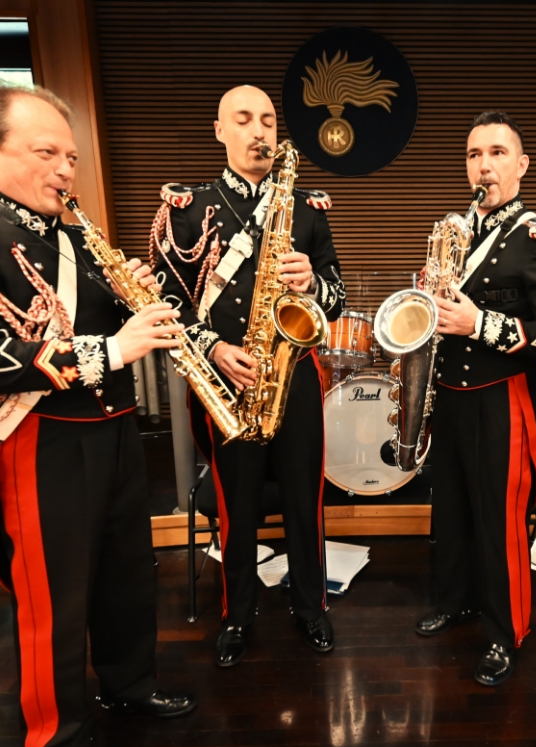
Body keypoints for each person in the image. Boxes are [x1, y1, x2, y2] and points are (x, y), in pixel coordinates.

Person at [0, 84, 196, 747]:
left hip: (111, 429)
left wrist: (136, 296)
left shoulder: (74, 233)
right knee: (54, 601)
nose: (64, 171)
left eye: (71, 157)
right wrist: (113, 345)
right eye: (45, 153)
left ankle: (130, 685)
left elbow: (104, 313)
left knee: (125, 575)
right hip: (41, 437)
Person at [151, 85, 345, 666]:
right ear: (220, 130)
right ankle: (237, 613)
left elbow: (334, 302)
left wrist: (311, 284)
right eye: (244, 119)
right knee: (235, 502)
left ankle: (312, 607)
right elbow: (165, 303)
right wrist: (214, 348)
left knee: (304, 497)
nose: (259, 130)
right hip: (228, 378)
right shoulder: (186, 210)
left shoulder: (308, 209)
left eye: (267, 119)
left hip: (297, 377)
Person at [415, 111, 536, 685]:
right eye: (473, 154)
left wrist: (480, 324)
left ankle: (507, 630)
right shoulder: (455, 231)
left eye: (497, 153)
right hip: (451, 394)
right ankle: (456, 601)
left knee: (500, 519)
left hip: (502, 398)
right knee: (452, 510)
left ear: (521, 164)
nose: (483, 165)